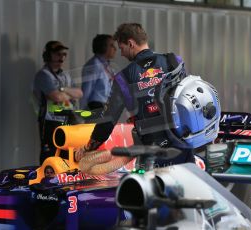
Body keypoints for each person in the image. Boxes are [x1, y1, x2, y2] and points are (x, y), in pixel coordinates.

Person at [75, 23, 195, 166]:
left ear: (131, 43)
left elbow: (108, 119)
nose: (121, 53)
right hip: (184, 144)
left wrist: (89, 147)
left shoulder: (123, 77)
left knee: (155, 187)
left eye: (122, 48)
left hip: (154, 152)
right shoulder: (174, 61)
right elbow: (188, 97)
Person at [33, 41, 83, 164]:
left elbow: (79, 93)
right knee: (50, 154)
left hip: (67, 119)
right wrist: (67, 93)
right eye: (57, 54)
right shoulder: (43, 75)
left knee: (67, 153)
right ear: (48, 56)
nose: (61, 57)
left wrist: (63, 89)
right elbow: (56, 97)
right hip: (50, 121)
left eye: (63, 54)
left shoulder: (66, 75)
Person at [80, 34, 117, 110]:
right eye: (111, 45)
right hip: (96, 106)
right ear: (103, 47)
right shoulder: (93, 65)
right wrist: (82, 111)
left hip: (106, 107)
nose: (115, 49)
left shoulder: (108, 67)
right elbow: (86, 90)